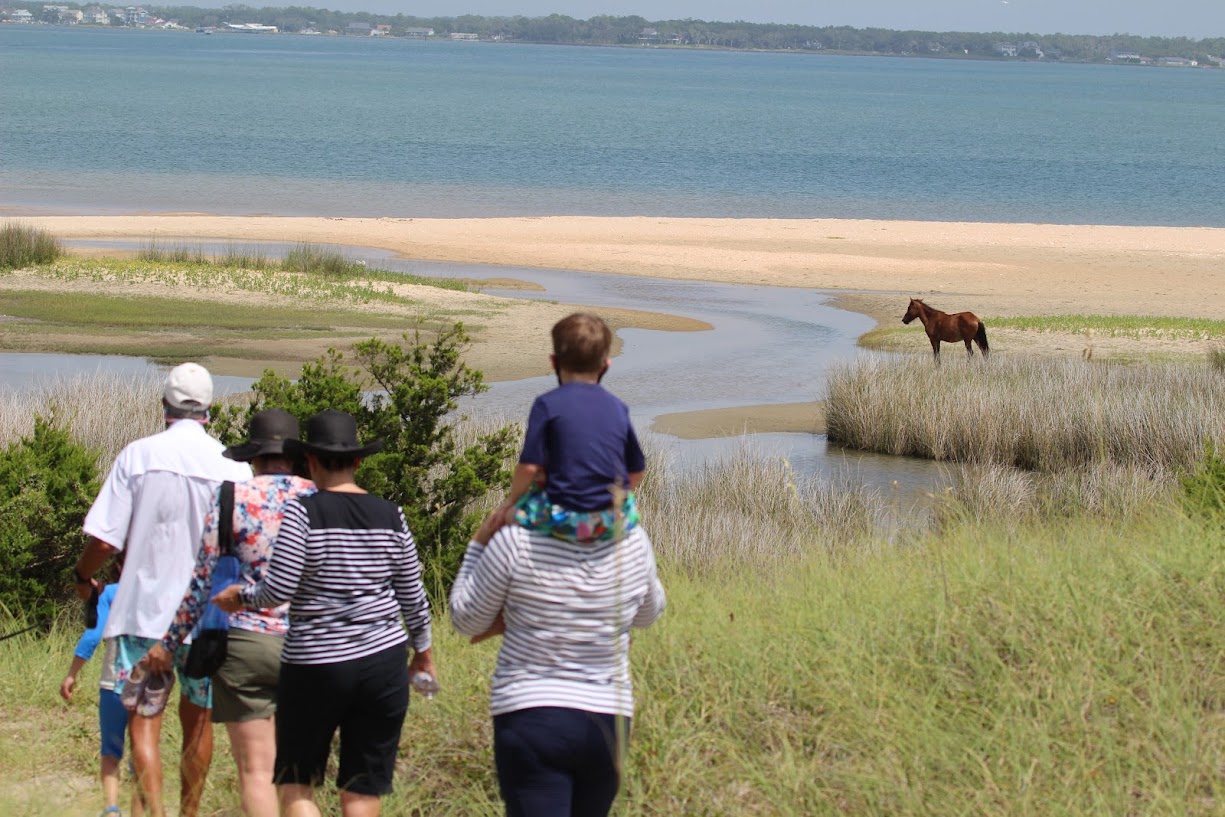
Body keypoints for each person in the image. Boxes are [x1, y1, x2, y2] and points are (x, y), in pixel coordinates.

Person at [213, 409, 434, 817]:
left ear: (310, 460)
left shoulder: (303, 512)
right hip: (383, 662)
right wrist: (423, 653)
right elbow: (413, 597)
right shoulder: (391, 515)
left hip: (316, 660)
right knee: (362, 789)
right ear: (358, 461)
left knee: (297, 783)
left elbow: (278, 588)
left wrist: (239, 598)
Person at [72, 362, 253, 817]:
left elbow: (104, 540)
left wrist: (82, 577)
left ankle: (152, 812)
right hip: (207, 618)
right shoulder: (234, 466)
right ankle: (189, 812)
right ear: (210, 411)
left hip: (142, 613)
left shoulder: (138, 455)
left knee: (143, 724)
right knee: (198, 722)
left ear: (164, 408)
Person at [145, 408, 315, 817]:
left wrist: (168, 644)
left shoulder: (230, 497)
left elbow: (202, 581)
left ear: (251, 458)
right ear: (293, 456)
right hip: (311, 644)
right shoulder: (317, 496)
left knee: (256, 772)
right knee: (298, 781)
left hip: (245, 641)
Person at [451, 503, 666, 817]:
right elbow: (649, 614)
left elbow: (466, 620)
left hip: (532, 714)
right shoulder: (633, 540)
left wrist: (479, 542)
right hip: (608, 718)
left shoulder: (515, 539)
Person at [494, 312, 646, 545]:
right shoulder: (618, 407)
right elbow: (636, 471)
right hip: (611, 520)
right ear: (606, 365)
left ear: (553, 362)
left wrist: (511, 502)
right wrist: (610, 500)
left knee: (509, 518)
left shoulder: (546, 404)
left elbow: (528, 468)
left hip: (562, 519)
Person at [60, 557, 146, 817]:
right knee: (142, 752)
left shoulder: (110, 593)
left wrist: (72, 674)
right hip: (146, 687)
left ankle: (111, 809)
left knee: (111, 751)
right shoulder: (158, 594)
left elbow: (93, 635)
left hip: (113, 685)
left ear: (118, 567)